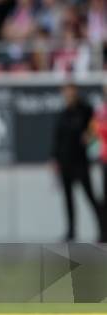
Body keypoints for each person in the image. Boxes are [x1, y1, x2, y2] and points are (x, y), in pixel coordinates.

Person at [51, 83, 101, 242]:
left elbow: (96, 125)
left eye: (70, 90)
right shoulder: (63, 113)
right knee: (68, 198)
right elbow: (57, 138)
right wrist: (54, 158)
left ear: (75, 91)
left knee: (91, 197)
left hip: (80, 161)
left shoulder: (85, 109)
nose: (68, 94)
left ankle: (103, 230)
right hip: (65, 161)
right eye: (65, 91)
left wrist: (89, 135)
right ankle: (71, 231)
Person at [91, 85, 107, 242]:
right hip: (104, 159)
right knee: (103, 198)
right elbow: (94, 132)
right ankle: (103, 232)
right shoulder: (101, 110)